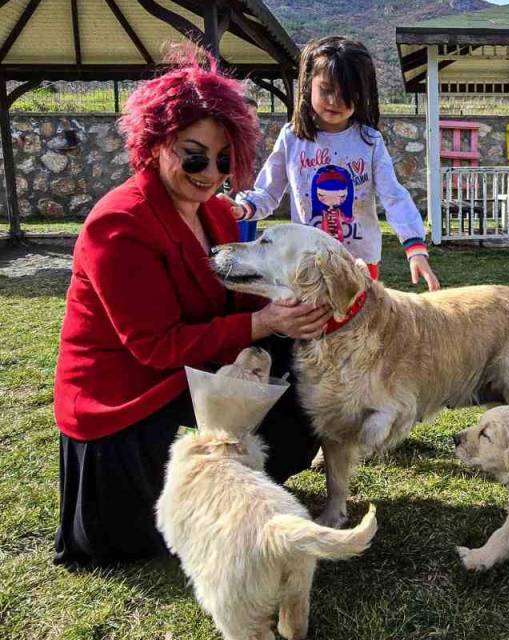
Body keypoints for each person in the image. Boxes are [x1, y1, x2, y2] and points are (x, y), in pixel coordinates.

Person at [53, 51, 327, 567]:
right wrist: (260, 322)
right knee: (142, 545)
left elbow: (240, 294)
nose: (211, 174)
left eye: (224, 160)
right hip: (126, 388)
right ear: (155, 143)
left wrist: (290, 304)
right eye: (194, 155)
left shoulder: (219, 213)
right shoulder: (118, 225)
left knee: (301, 385)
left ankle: (246, 493)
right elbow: (153, 347)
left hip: (194, 366)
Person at [224, 36, 439, 290]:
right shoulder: (292, 138)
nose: (335, 101)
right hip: (306, 263)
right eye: (326, 90)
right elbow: (267, 192)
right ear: (307, 86)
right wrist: (245, 208)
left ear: (363, 95)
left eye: (347, 94)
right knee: (310, 326)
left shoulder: (369, 142)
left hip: (359, 264)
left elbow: (394, 197)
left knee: (357, 327)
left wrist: (415, 248)